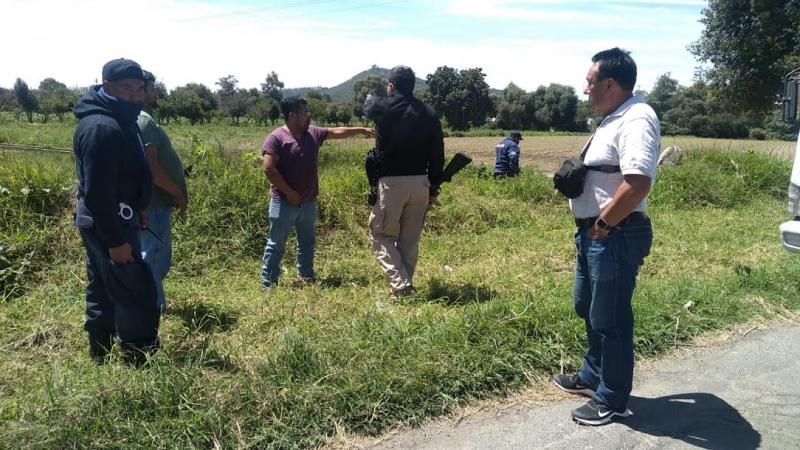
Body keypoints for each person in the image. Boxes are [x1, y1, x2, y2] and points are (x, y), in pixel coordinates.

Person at [551, 48, 660, 425]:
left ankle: (612, 399)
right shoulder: (614, 118)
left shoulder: (637, 117)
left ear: (609, 84)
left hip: (613, 233)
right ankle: (592, 375)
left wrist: (603, 225)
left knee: (610, 318)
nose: (585, 89)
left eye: (590, 82)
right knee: (588, 307)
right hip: (596, 234)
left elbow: (638, 183)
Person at [72, 58, 160, 366]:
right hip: (109, 223)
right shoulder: (102, 127)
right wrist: (115, 240)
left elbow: (121, 179)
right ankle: (137, 356)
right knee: (132, 287)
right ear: (107, 86)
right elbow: (98, 194)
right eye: (126, 88)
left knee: (103, 285)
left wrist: (136, 211)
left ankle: (101, 353)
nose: (135, 95)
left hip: (118, 217)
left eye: (139, 88)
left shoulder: (121, 118)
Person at [260, 97, 373, 290]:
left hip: (308, 202)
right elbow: (269, 169)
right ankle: (268, 283)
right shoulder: (277, 138)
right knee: (277, 243)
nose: (309, 115)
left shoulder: (313, 133)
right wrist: (290, 193)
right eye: (304, 112)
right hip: (284, 202)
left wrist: (360, 130)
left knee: (307, 241)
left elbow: (335, 131)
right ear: (292, 115)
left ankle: (306, 276)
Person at [363, 65, 445, 296]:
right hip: (420, 182)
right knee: (410, 238)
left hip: (392, 183)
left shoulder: (382, 106)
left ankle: (401, 285)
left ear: (391, 86)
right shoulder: (429, 113)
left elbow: (368, 106)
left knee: (380, 234)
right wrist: (434, 184)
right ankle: (405, 284)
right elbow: (438, 152)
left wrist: (372, 96)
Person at [138, 69, 187, 313]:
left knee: (152, 256)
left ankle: (149, 306)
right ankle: (153, 311)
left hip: (150, 204)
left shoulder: (140, 119)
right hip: (155, 204)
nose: (155, 92)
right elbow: (152, 167)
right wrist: (176, 192)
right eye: (152, 88)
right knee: (154, 258)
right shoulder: (144, 121)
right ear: (143, 89)